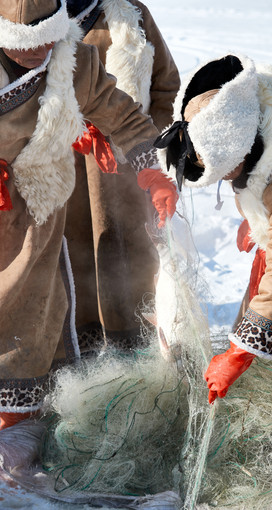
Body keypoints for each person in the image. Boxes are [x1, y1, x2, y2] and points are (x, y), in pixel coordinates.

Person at [154, 53, 272, 498]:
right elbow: (248, 173)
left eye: (226, 174)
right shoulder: (232, 108)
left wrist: (237, 356)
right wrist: (257, 215)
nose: (225, 180)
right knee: (253, 319)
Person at [0, 0, 177, 430]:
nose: (39, 52)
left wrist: (152, 172)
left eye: (48, 40)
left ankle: (17, 414)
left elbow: (124, 115)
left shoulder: (74, 63)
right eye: (27, 46)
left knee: (30, 300)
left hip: (36, 197)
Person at [64, 0, 180, 353]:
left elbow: (166, 84)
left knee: (126, 245)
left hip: (126, 161)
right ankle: (77, 343)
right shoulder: (37, 19)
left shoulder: (131, 14)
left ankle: (135, 345)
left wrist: (150, 140)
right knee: (72, 247)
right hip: (61, 160)